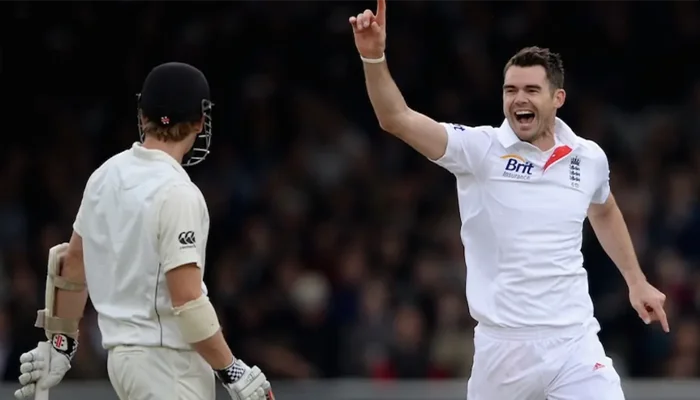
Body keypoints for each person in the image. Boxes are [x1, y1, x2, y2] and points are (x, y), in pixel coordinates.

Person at [349, 1, 669, 399]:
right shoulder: (480, 149)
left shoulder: (588, 157)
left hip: (575, 340)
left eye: (532, 90)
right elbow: (395, 118)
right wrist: (373, 56)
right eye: (511, 89)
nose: (520, 99)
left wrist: (636, 281)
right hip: (504, 351)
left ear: (558, 98)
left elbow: (604, 209)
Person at [14, 62, 274, 400]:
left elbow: (73, 262)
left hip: (123, 362)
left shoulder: (106, 175)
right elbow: (187, 300)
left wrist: (61, 345)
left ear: (143, 117)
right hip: (168, 366)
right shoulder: (179, 192)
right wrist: (233, 370)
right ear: (200, 121)